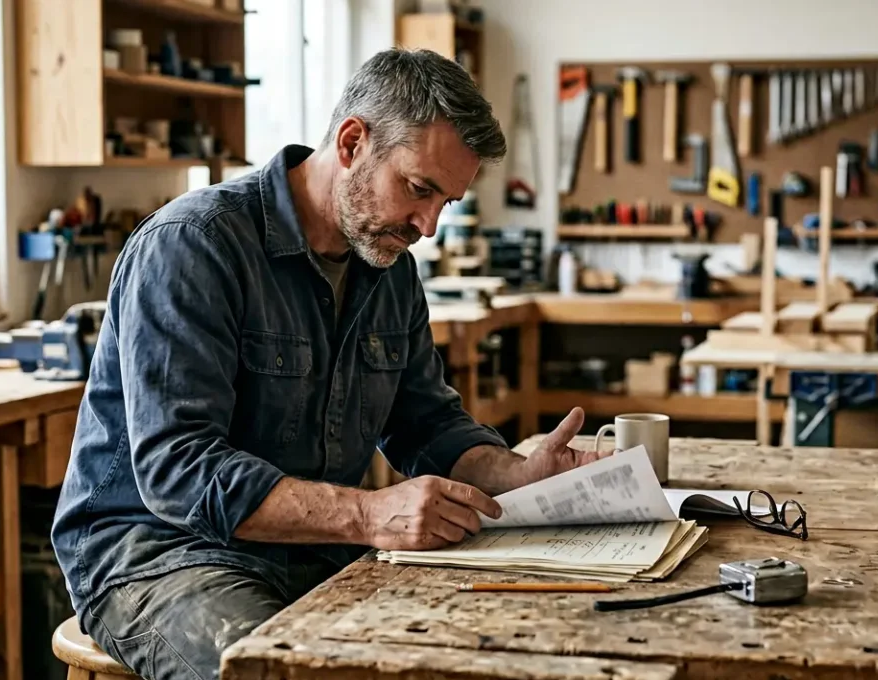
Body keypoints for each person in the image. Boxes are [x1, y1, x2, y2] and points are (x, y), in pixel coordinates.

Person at [51, 48, 607, 680]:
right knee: (284, 672)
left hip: (313, 548)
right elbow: (177, 470)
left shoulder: (390, 269)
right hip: (160, 556)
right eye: (419, 189)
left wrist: (518, 473)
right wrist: (369, 514)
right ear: (351, 143)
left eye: (445, 202)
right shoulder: (193, 245)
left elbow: (426, 424)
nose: (427, 226)